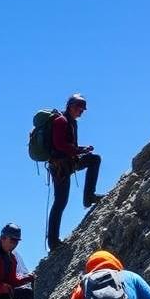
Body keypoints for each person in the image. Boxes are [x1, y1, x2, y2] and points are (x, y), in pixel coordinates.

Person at [47, 93, 103, 251]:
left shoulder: (71, 122)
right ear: (71, 106)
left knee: (94, 159)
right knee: (60, 202)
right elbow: (59, 145)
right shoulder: (61, 121)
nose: (82, 111)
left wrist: (80, 151)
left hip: (68, 162)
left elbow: (66, 145)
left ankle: (89, 197)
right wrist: (80, 150)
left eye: (83, 109)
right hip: (60, 166)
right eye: (80, 108)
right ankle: (53, 242)